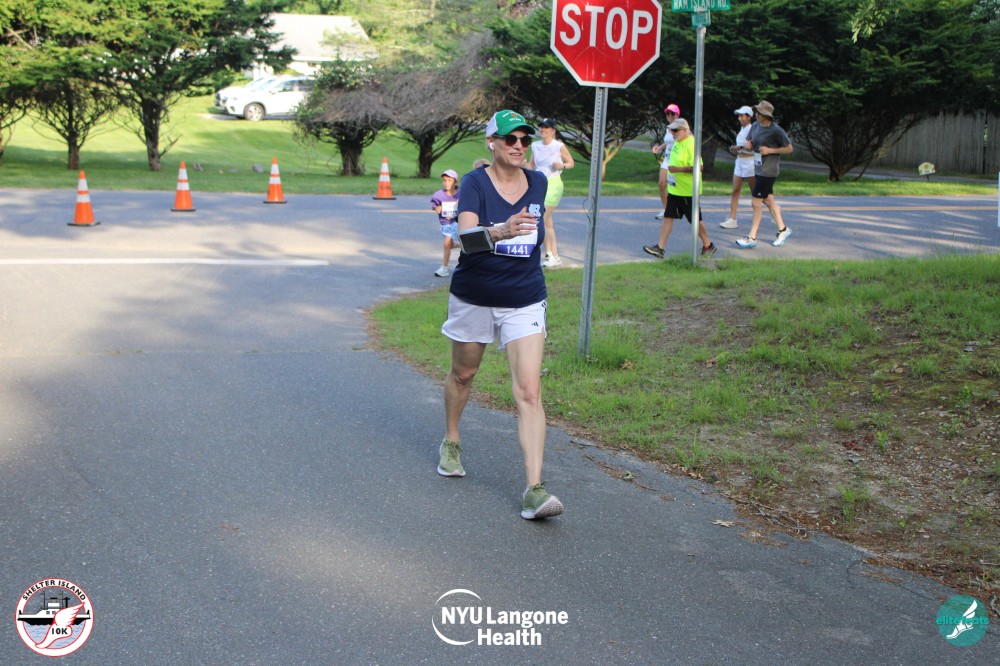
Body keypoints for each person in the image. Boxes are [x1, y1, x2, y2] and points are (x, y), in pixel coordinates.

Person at [438, 109, 564, 521]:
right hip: (475, 295)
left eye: (525, 139)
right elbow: (465, 239)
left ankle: (534, 490)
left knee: (529, 390)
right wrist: (502, 231)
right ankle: (452, 440)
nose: (519, 146)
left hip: (524, 296)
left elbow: (537, 234)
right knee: (464, 374)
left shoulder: (538, 182)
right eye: (510, 139)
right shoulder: (474, 183)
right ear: (491, 142)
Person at [643, 118, 717, 259]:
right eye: (671, 130)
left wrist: (678, 169)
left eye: (675, 130)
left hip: (688, 191)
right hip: (675, 190)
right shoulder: (677, 142)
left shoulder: (691, 144)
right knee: (668, 217)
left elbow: (700, 167)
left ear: (685, 130)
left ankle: (708, 245)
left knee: (694, 220)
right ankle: (660, 248)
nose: (673, 133)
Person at [736, 100, 794, 248]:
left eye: (758, 112)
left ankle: (752, 237)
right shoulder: (755, 126)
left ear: (765, 115)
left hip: (769, 171)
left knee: (756, 202)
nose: (755, 114)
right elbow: (751, 144)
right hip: (758, 168)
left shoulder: (776, 130)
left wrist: (770, 150)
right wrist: (748, 145)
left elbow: (789, 148)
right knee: (768, 200)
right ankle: (783, 230)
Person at [527, 118, 575, 267]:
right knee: (547, 223)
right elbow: (531, 165)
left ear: (553, 130)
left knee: (540, 218)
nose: (543, 130)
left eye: (546, 127)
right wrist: (520, 165)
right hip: (538, 184)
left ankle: (547, 254)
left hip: (553, 184)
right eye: (541, 127)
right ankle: (554, 256)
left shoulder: (558, 146)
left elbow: (571, 163)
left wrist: (562, 165)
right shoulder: (535, 146)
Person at [720, 106, 756, 229]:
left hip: (750, 162)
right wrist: (735, 148)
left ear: (749, 117)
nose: (740, 118)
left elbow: (752, 145)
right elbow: (741, 145)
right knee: (735, 191)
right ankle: (733, 219)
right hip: (740, 161)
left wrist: (739, 147)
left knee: (756, 193)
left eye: (742, 116)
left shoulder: (752, 128)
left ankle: (772, 210)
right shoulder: (742, 129)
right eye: (739, 116)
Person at [652, 103, 681, 218]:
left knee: (674, 186)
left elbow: (690, 139)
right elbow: (668, 142)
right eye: (668, 114)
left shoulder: (681, 127)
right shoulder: (668, 128)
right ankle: (666, 210)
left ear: (677, 115)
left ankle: (678, 208)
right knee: (662, 184)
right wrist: (659, 148)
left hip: (677, 160)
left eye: (672, 113)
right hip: (667, 159)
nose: (670, 116)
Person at [430, 169, 461, 277]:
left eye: (449, 180)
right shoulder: (439, 195)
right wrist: (437, 208)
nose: (447, 183)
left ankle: (444, 268)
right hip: (446, 223)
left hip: (457, 222)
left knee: (446, 243)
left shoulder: (461, 194)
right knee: (449, 244)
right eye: (444, 180)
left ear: (455, 182)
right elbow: (434, 205)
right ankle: (459, 245)